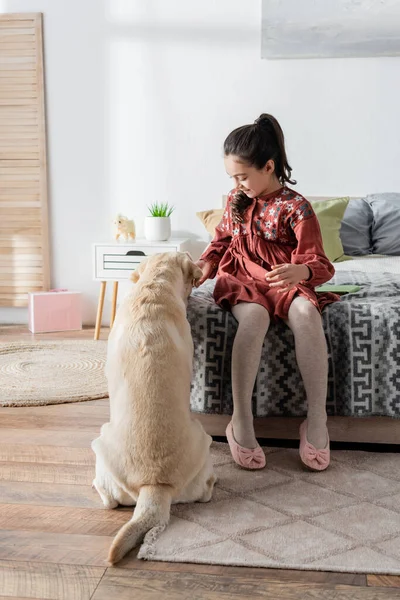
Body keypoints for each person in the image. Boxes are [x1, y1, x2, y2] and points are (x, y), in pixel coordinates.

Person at [196, 113, 339, 472]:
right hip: (243, 275)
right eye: (232, 176)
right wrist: (204, 266)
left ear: (269, 166)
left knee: (307, 314)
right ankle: (240, 419)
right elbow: (221, 241)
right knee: (255, 317)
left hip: (283, 279)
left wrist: (300, 270)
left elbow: (319, 262)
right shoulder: (235, 200)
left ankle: (317, 418)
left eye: (242, 176)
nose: (236, 183)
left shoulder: (297, 207)